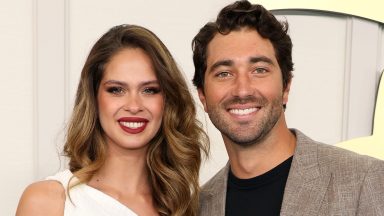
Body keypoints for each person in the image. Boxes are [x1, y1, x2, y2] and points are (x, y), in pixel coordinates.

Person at [192, 1, 384, 215]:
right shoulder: (198, 207)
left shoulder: (366, 180)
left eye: (259, 70)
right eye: (224, 73)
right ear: (203, 95)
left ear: (286, 86)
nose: (242, 90)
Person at [16, 24, 208, 216]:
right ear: (94, 97)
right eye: (116, 90)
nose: (134, 106)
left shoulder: (183, 206)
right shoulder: (49, 202)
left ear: (167, 101)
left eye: (149, 90)